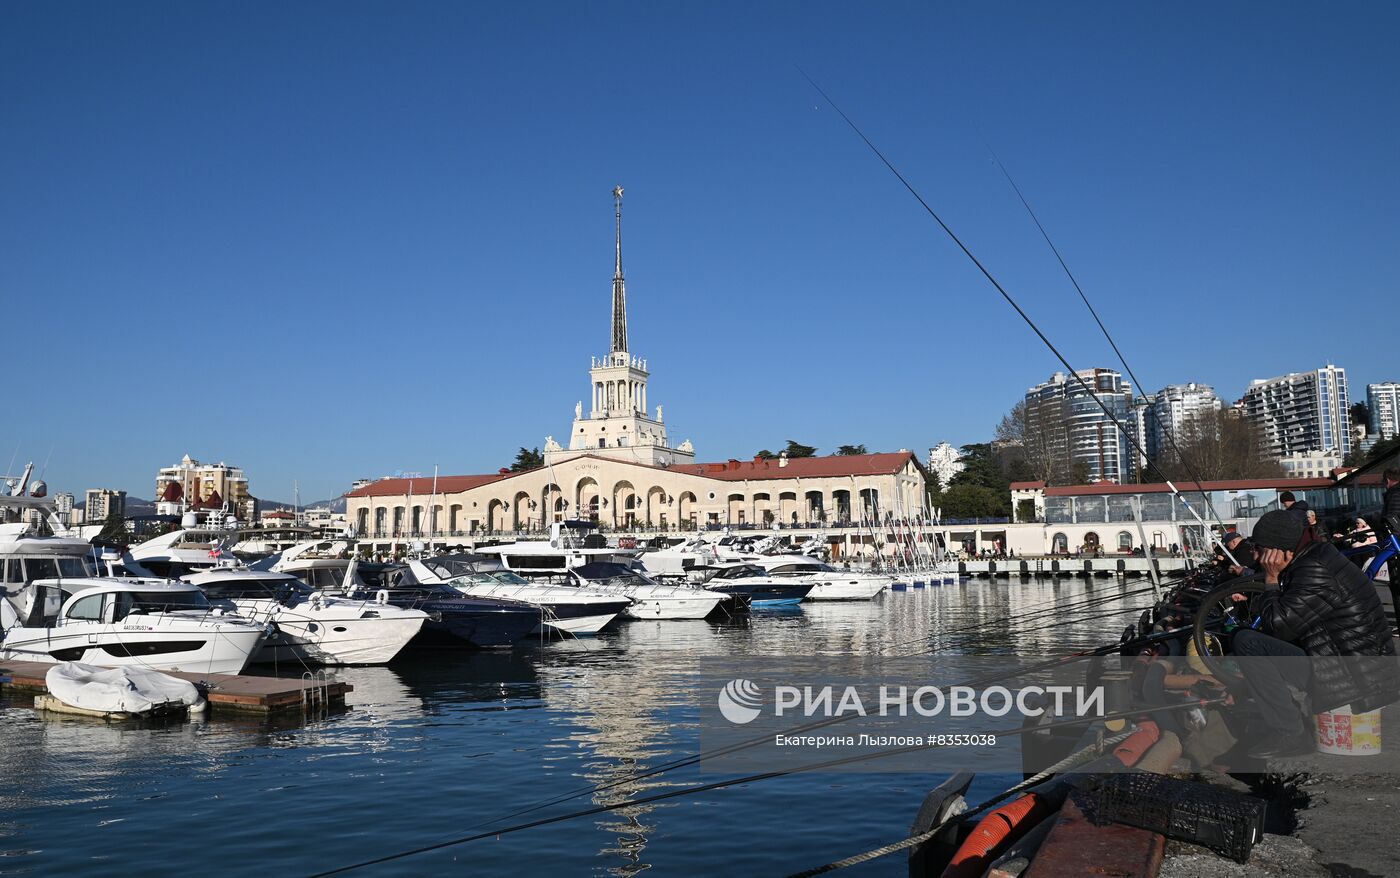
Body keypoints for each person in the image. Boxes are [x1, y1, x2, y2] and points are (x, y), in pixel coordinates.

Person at [1230, 510, 1400, 758]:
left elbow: (1279, 626)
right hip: (1352, 666)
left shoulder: (1314, 569)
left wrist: (1271, 579)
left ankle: (1291, 734)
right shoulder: (1317, 556)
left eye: (1258, 548)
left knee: (1247, 642)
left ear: (1278, 550)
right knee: (1251, 640)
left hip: (1357, 679)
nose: (1254, 555)